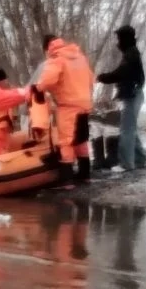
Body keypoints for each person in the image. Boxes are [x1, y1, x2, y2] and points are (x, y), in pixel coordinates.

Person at [32, 34, 95, 188]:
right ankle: (85, 175)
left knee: (66, 141)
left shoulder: (57, 59)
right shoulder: (80, 57)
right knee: (81, 139)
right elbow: (91, 79)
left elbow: (48, 80)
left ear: (47, 48)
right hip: (84, 104)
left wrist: (38, 88)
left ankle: (67, 180)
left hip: (68, 106)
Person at [95, 24, 146, 172]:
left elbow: (120, 73)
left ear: (125, 38)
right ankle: (140, 159)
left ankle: (126, 164)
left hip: (131, 95)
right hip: (132, 94)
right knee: (131, 128)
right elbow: (122, 74)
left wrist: (101, 77)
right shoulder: (131, 52)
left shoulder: (131, 54)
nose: (117, 42)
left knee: (126, 130)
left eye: (119, 38)